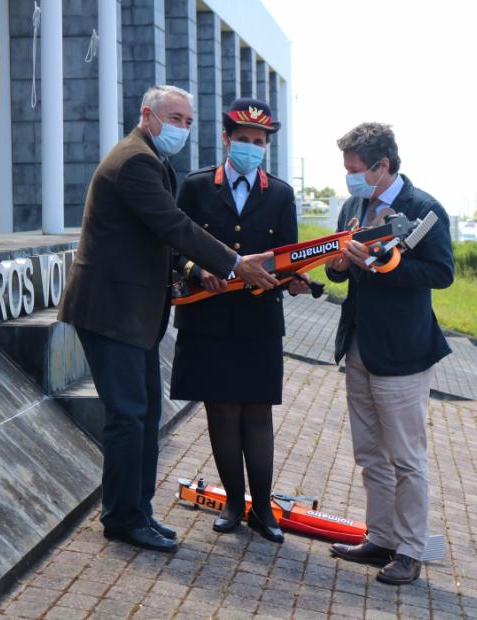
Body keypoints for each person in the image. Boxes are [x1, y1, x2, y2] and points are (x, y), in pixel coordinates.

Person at [56, 84, 279, 553]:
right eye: (175, 118)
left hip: (133, 313)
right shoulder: (134, 161)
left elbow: (165, 239)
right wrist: (235, 263)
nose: (182, 127)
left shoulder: (152, 159)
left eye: (188, 121)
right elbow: (175, 227)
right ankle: (122, 518)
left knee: (145, 416)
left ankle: (137, 511)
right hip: (111, 310)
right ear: (148, 115)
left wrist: (199, 267)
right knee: (127, 418)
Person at [169, 98, 309, 544]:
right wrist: (196, 270)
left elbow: (288, 256)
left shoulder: (280, 194)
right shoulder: (196, 186)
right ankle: (233, 501)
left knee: (257, 411)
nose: (252, 147)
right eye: (244, 139)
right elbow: (173, 244)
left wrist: (295, 280)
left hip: (258, 319)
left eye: (259, 142)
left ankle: (262, 509)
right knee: (221, 410)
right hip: (207, 315)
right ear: (226, 139)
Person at [324, 122, 454, 585]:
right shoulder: (352, 207)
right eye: (346, 169)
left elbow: (441, 273)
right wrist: (338, 266)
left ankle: (410, 551)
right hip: (358, 344)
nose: (350, 178)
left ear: (383, 166)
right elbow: (340, 271)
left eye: (356, 169)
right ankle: (379, 538)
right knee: (369, 453)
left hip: (402, 352)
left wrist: (385, 266)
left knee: (405, 457)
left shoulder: (424, 210)